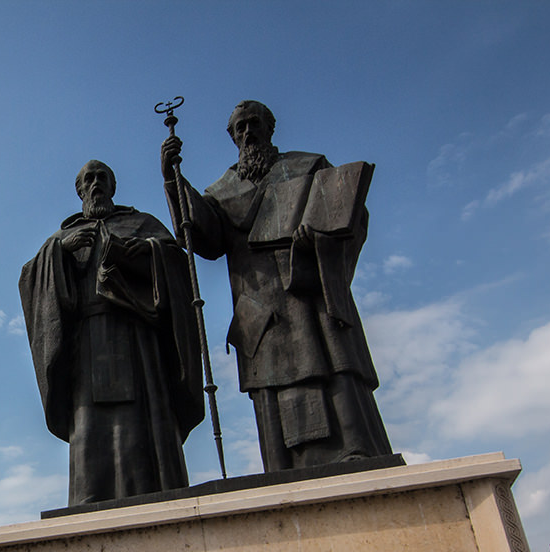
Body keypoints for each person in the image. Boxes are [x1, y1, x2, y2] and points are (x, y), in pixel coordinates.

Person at [161, 101, 392, 472]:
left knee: (332, 364)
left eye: (254, 124)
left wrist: (318, 238)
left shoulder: (309, 166)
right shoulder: (221, 190)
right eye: (239, 127)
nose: (247, 132)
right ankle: (282, 465)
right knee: (270, 384)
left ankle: (354, 449)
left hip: (309, 290)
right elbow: (203, 235)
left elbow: (348, 213)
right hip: (258, 303)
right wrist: (173, 179)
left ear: (270, 128)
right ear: (232, 136)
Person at [21, 160, 204, 505]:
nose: (95, 184)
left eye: (102, 177)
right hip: (87, 348)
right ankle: (92, 502)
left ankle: (156, 494)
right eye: (88, 179)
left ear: (113, 186)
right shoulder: (64, 237)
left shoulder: (142, 224)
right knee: (91, 432)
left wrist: (148, 252)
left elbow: (177, 262)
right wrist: (59, 253)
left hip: (139, 344)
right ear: (79, 191)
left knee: (144, 427)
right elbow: (29, 278)